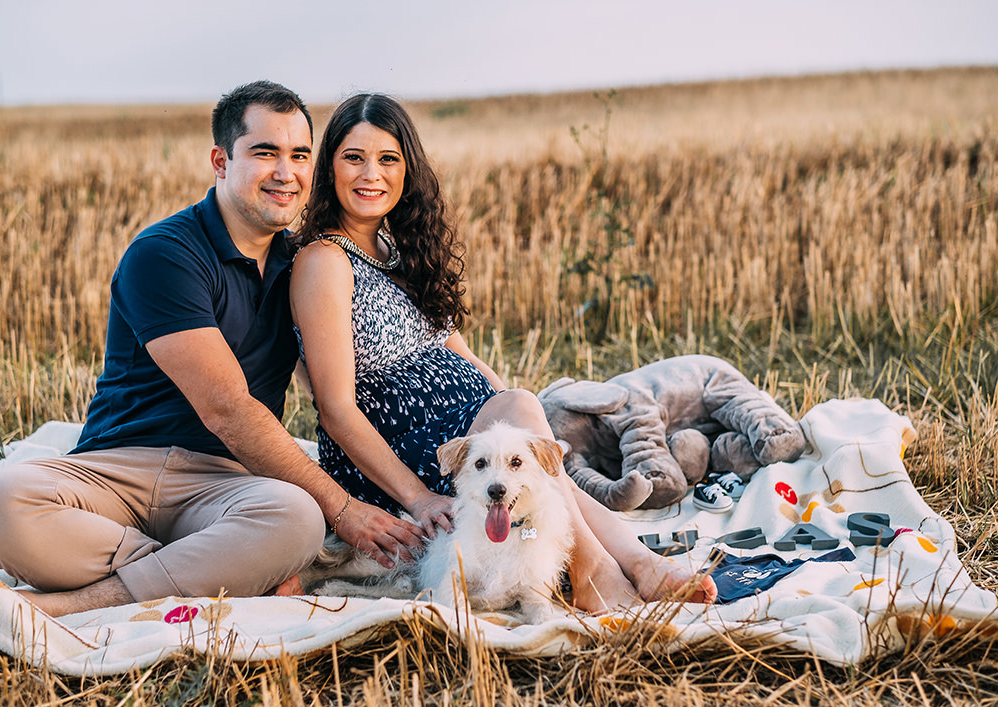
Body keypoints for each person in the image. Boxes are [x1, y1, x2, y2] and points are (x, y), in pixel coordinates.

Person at [0, 81, 423, 617]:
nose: (286, 172)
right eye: (265, 152)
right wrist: (343, 510)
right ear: (220, 161)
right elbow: (226, 408)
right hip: (117, 472)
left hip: (224, 483)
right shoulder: (165, 253)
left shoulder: (304, 267)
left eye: (300, 155)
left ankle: (79, 604)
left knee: (296, 518)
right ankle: (198, 570)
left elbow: (340, 386)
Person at [290, 93, 717, 612]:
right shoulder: (323, 261)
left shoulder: (397, 252)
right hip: (395, 454)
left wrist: (518, 414)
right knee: (517, 414)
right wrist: (419, 498)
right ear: (328, 166)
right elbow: (336, 410)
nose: (370, 174)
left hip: (463, 426)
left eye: (388, 159)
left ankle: (640, 563)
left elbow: (462, 356)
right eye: (353, 157)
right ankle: (593, 572)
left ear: (408, 170)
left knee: (531, 445)